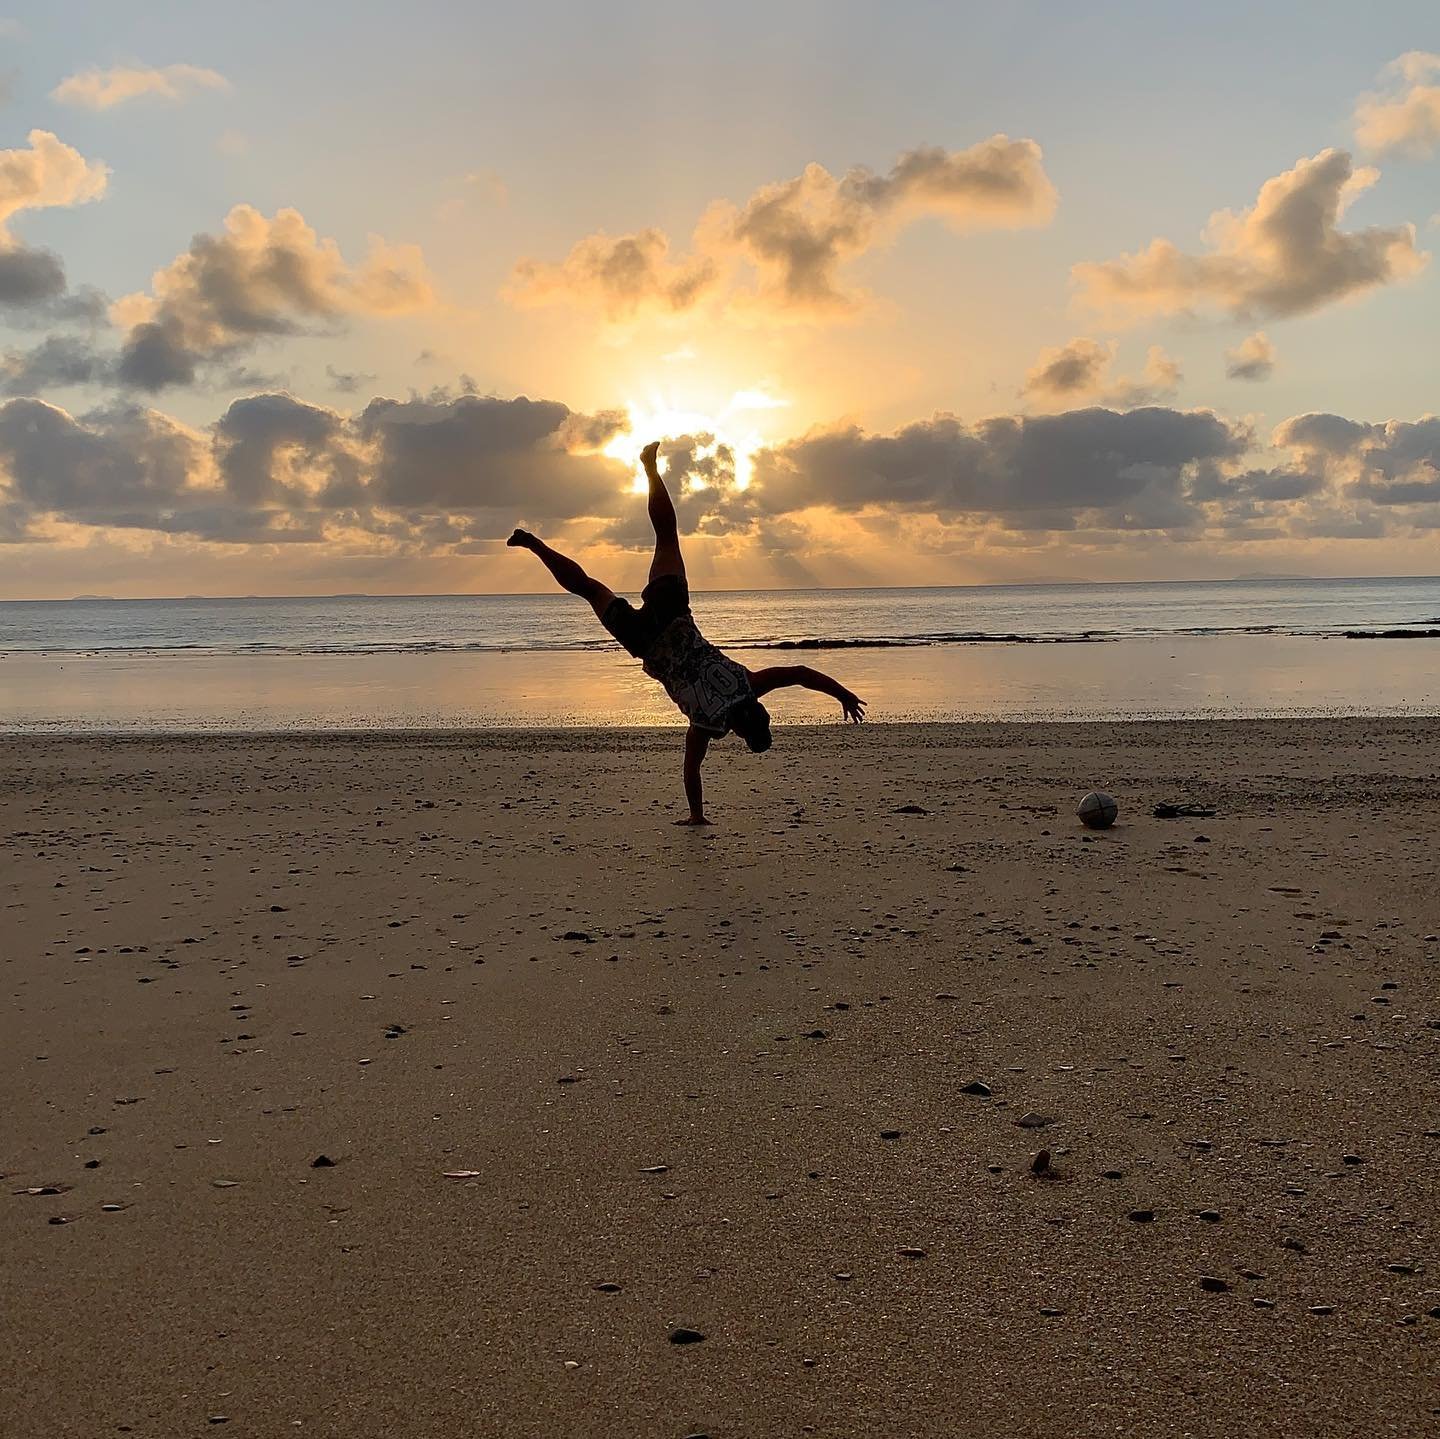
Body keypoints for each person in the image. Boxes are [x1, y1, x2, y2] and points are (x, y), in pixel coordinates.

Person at [508, 440, 866, 825]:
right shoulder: (707, 724)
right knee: (590, 589)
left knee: (666, 536)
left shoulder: (749, 683)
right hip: (644, 642)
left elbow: (799, 674)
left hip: (674, 611)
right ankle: (532, 545)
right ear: (742, 734)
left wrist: (843, 694)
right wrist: (697, 816)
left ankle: (648, 468)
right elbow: (691, 769)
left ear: (761, 712)